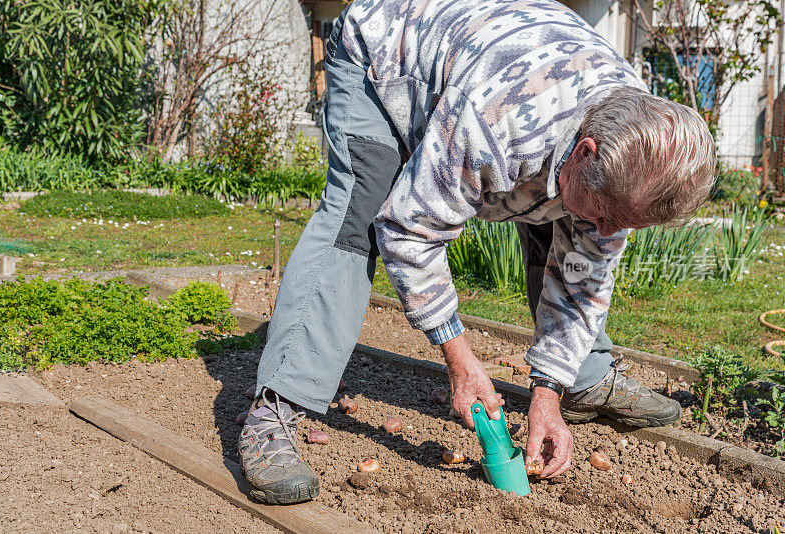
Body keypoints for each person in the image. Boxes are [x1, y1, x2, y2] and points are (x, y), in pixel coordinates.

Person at [237, 0, 716, 504]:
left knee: (569, 227)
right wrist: (460, 361)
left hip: (494, 68)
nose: (607, 231)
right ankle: (276, 408)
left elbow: (585, 272)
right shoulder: (498, 123)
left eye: (622, 222)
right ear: (585, 151)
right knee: (358, 213)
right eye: (606, 214)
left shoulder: (639, 140)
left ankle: (582, 381)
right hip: (387, 56)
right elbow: (411, 229)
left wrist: (547, 391)